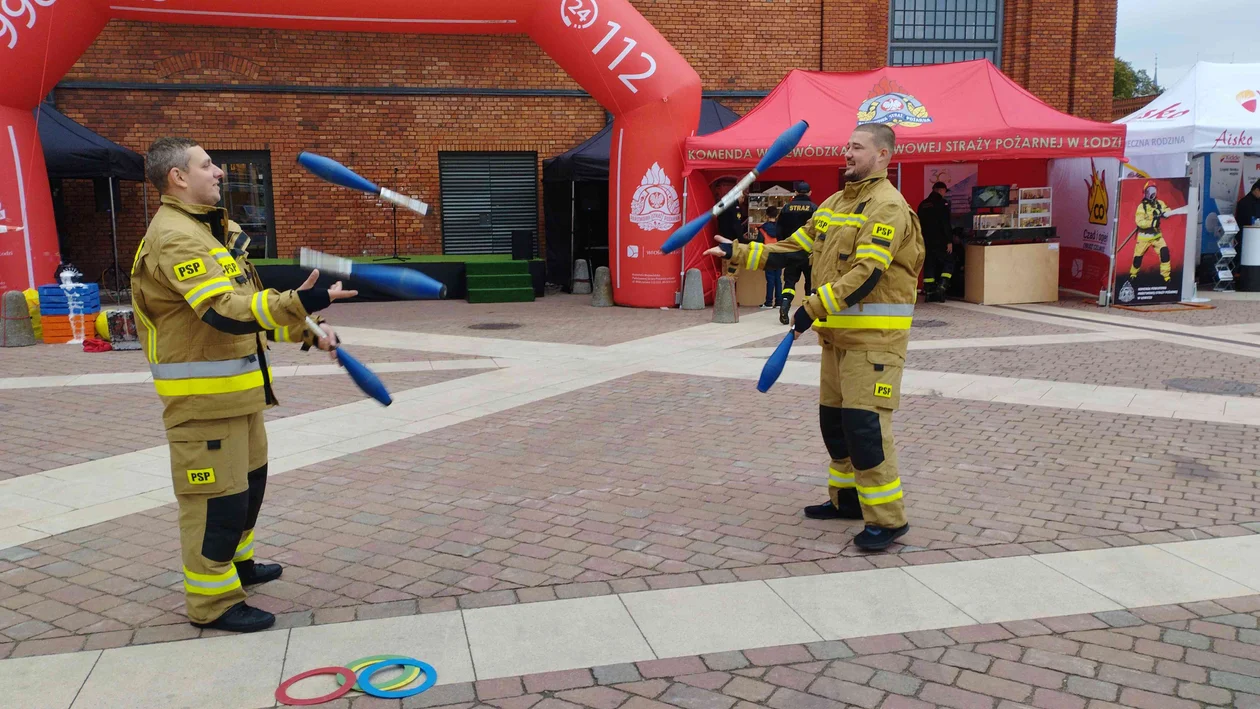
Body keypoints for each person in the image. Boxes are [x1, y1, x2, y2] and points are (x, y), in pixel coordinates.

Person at [131, 137, 357, 633]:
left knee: (247, 489)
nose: (218, 172)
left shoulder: (212, 232)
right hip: (202, 404)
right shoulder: (176, 237)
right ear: (177, 178)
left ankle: (239, 567)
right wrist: (300, 302)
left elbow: (250, 306)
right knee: (216, 503)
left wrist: (307, 329)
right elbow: (224, 313)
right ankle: (211, 604)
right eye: (207, 165)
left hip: (237, 396)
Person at [706, 123, 924, 551]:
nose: (847, 153)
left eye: (857, 148)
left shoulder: (888, 207)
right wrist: (739, 252)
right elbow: (795, 246)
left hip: (874, 344)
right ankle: (845, 502)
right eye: (847, 146)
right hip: (837, 340)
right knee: (835, 426)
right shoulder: (834, 202)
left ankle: (888, 519)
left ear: (883, 155)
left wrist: (812, 307)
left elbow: (866, 275)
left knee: (865, 430)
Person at [774, 182, 819, 324]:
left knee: (789, 282)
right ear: (810, 192)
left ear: (795, 192)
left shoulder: (786, 208)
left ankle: (785, 305)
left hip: (791, 252)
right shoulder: (815, 209)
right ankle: (808, 313)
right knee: (810, 284)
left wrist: (785, 247)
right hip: (809, 254)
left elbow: (778, 230)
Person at [917, 181, 954, 302]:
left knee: (929, 265)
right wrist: (949, 241)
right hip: (941, 240)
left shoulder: (923, 204)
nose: (944, 194)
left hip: (926, 240)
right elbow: (945, 223)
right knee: (949, 262)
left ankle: (929, 291)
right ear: (940, 190)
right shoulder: (943, 203)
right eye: (944, 191)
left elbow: (918, 223)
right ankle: (941, 288)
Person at [1131, 180, 1173, 283]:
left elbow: (1167, 210)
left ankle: (1166, 276)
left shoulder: (1159, 203)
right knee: (1137, 258)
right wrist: (1152, 223)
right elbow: (1139, 222)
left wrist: (1166, 213)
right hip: (1144, 238)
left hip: (1157, 236)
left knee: (1164, 253)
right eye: (1149, 191)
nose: (1152, 193)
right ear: (1145, 193)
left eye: (1153, 190)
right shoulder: (1142, 207)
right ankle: (1133, 274)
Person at [759, 206, 782, 308]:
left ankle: (768, 302)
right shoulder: (781, 228)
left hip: (768, 256)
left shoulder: (763, 229)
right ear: (777, 215)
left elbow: (759, 243)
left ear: (767, 215)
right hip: (779, 255)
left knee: (770, 280)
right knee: (778, 279)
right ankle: (779, 302)